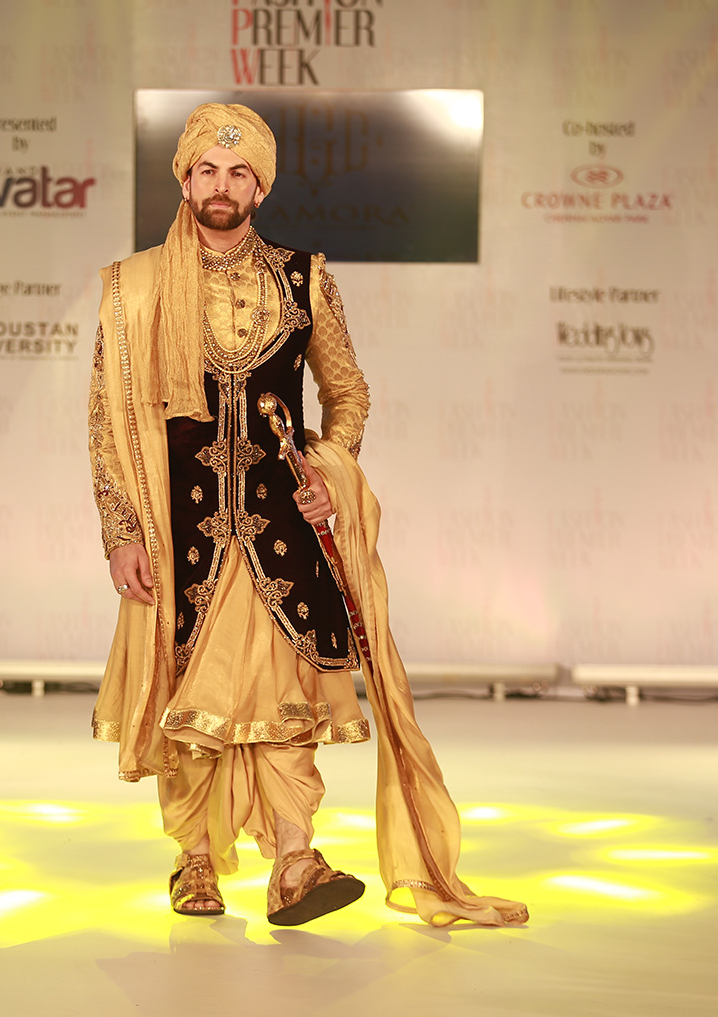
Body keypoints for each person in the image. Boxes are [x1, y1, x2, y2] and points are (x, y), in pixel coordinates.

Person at [89, 102, 528, 928]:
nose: (222, 186)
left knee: (285, 692)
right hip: (179, 533)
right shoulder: (134, 287)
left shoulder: (304, 277)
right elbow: (108, 423)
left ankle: (295, 861)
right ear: (185, 179)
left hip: (281, 529)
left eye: (240, 172)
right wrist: (120, 532)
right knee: (189, 695)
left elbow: (347, 391)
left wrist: (331, 468)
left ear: (261, 187)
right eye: (208, 170)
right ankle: (194, 861)